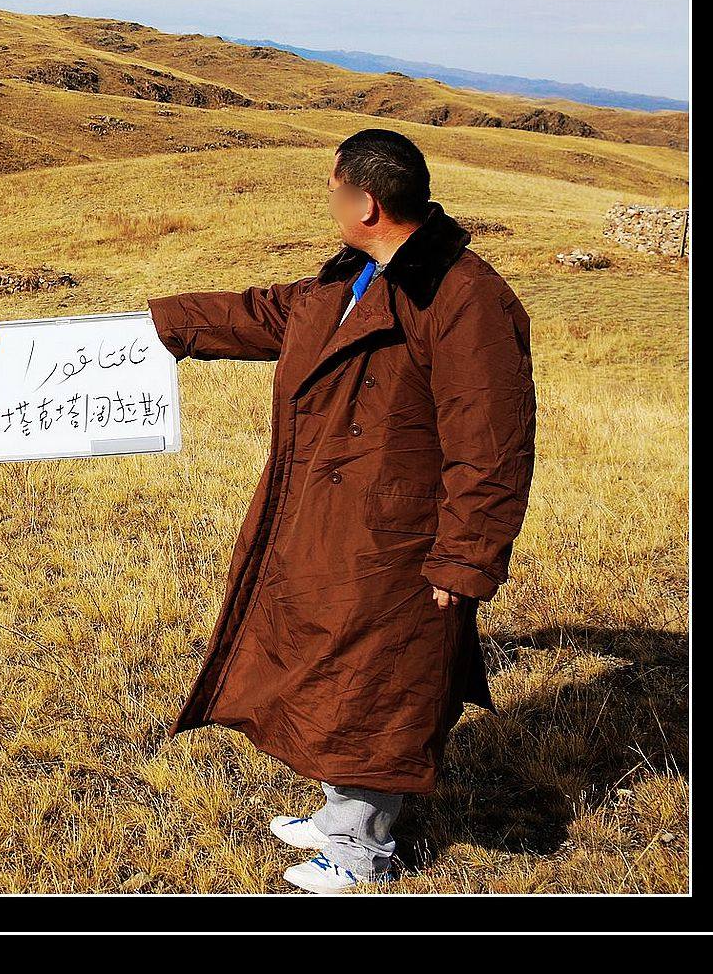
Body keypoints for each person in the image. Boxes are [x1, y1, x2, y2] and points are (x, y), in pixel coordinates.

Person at [146, 127, 537, 894]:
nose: (326, 200)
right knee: (328, 667)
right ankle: (339, 815)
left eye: (331, 189)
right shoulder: (355, 275)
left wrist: (464, 557)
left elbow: (491, 441)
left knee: (377, 682)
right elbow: (269, 313)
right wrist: (161, 328)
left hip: (399, 537)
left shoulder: (463, 297)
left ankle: (362, 851)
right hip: (330, 521)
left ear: (364, 201)